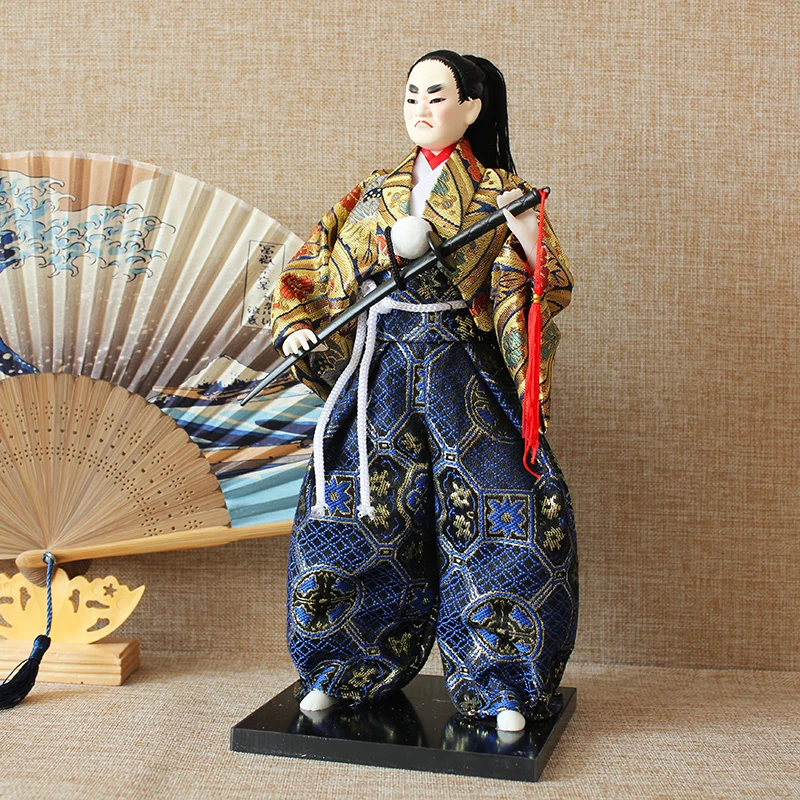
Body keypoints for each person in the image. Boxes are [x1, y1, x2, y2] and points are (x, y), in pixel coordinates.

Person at [270, 51, 577, 732]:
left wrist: (529, 241)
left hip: (460, 368)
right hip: (380, 368)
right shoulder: (372, 192)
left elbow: (543, 289)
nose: (421, 109)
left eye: (436, 96)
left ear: (472, 107)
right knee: (354, 513)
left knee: (507, 512)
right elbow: (314, 270)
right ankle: (339, 665)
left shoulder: (501, 194)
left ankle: (503, 679)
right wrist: (299, 325)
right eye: (412, 95)